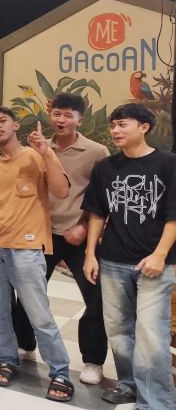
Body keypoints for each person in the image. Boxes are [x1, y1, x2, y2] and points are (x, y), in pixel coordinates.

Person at [0, 107, 73, 403]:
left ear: (16, 125)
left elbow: (61, 191)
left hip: (26, 247)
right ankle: (8, 359)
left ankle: (60, 372)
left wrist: (47, 153)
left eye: (2, 121)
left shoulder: (37, 155)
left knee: (38, 314)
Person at [82, 103, 176, 409]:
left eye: (122, 124)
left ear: (144, 127)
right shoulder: (106, 168)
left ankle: (157, 402)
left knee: (151, 333)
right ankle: (128, 385)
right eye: (113, 125)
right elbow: (97, 212)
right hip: (113, 260)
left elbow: (174, 216)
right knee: (118, 329)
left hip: (155, 262)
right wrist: (90, 254)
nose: (115, 131)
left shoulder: (168, 164)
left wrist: (160, 254)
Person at [13, 94, 109, 386]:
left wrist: (84, 226)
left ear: (80, 119)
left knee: (95, 299)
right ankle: (25, 344)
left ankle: (93, 360)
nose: (61, 120)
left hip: (80, 236)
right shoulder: (37, 148)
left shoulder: (96, 152)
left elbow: (103, 197)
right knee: (28, 293)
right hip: (42, 234)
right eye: (57, 114)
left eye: (69, 115)